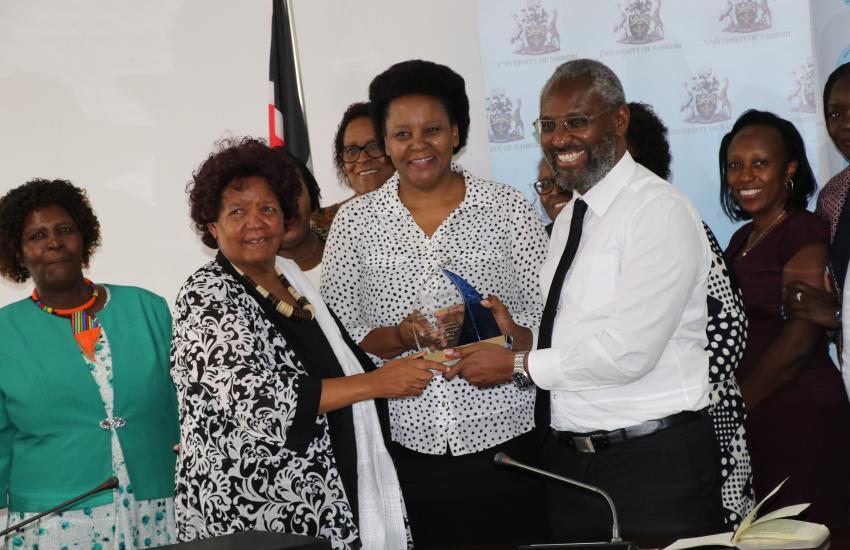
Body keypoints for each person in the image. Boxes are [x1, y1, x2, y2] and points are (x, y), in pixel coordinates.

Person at [447, 59, 723, 541]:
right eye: (548, 126)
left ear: (619, 120)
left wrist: (517, 365)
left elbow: (628, 352)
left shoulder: (658, 211)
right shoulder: (573, 216)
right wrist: (517, 337)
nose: (559, 139)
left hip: (652, 465)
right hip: (574, 468)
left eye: (576, 122)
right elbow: (580, 336)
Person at [172, 137, 443, 549]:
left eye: (267, 209)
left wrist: (403, 342)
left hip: (322, 495)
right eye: (237, 212)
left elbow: (334, 364)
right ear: (213, 226)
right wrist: (380, 383)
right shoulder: (207, 294)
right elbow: (260, 402)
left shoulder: (290, 278)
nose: (256, 223)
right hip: (254, 510)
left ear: (284, 216)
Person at [321, 60, 548, 547]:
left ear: (456, 133)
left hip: (508, 440)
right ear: (385, 142)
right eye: (402, 133)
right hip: (407, 445)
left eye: (432, 130)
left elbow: (549, 319)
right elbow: (347, 340)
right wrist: (402, 336)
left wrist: (510, 339)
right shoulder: (355, 224)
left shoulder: (506, 208)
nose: (418, 145)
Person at [0, 179, 178, 549]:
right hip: (52, 521)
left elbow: (179, 404)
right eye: (36, 236)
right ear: (18, 253)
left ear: (85, 237)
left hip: (155, 508)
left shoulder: (148, 309)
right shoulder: (4, 332)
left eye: (65, 229)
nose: (54, 242)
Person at [721, 109, 850, 528]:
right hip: (760, 415)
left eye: (760, 163)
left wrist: (736, 407)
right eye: (735, 165)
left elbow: (800, 338)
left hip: (799, 415)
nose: (745, 177)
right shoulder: (741, 238)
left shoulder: (804, 229)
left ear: (790, 169)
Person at [628, 101, 754, 527]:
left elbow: (728, 328)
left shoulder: (677, 220)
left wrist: (660, 387)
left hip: (700, 422)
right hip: (640, 434)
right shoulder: (591, 231)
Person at [785, 63, 850, 342]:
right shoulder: (833, 196)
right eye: (836, 114)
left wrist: (839, 318)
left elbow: (836, 313)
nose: (846, 123)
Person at [311, 102, 396, 238]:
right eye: (351, 150)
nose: (362, 158)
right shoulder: (321, 224)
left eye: (374, 146)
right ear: (343, 163)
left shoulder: (427, 212)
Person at [276, 148, 325, 288]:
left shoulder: (346, 242)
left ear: (310, 193)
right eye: (275, 197)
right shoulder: (254, 282)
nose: (287, 205)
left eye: (294, 191)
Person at [534, 158, 573, 234]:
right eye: (545, 185)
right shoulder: (539, 241)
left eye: (563, 181)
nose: (554, 192)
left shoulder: (601, 230)